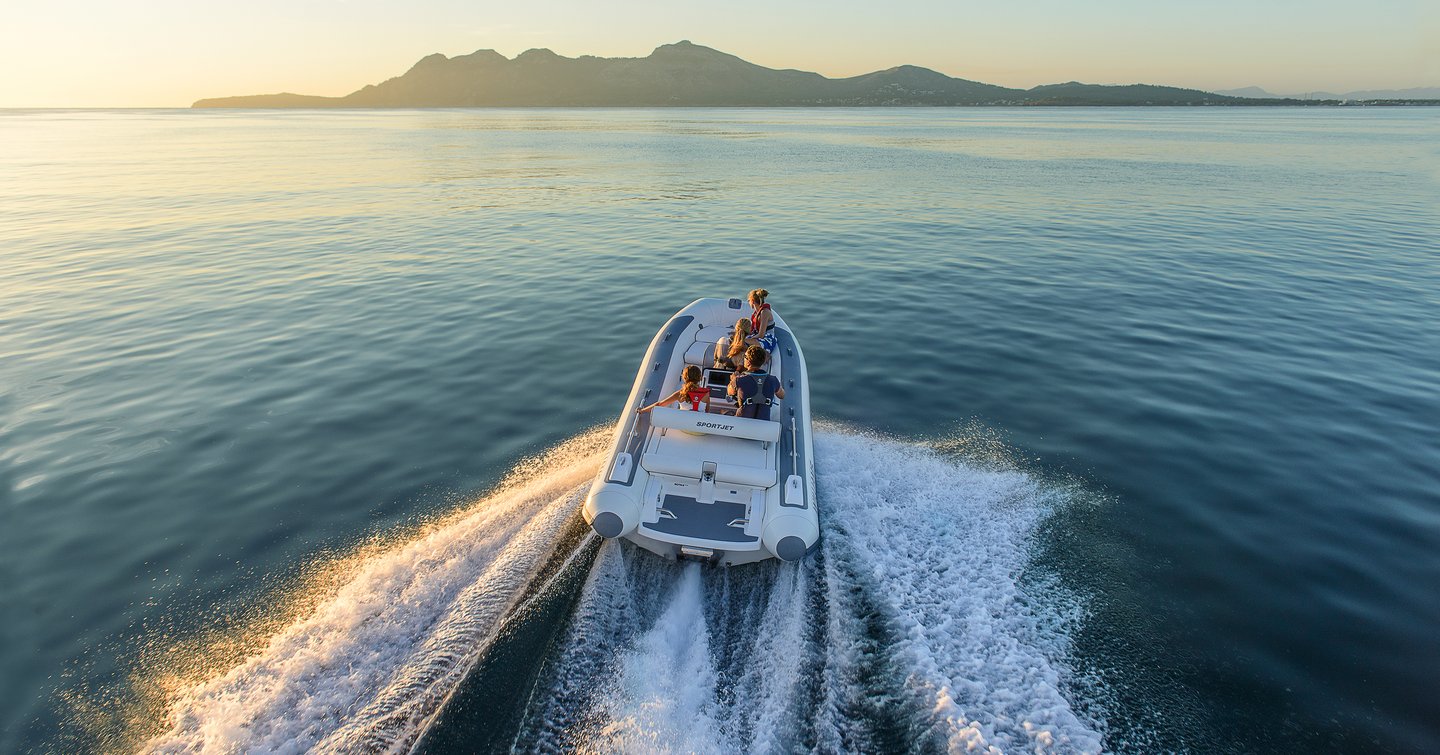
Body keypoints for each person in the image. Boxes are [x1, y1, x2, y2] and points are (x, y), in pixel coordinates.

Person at [729, 345, 785, 420]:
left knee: (725, 412)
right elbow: (782, 395)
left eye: (744, 356)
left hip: (742, 422)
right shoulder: (773, 380)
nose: (743, 359)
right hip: (763, 424)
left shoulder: (738, 380)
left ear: (748, 362)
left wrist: (733, 379)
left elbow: (730, 392)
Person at [638, 364, 711, 413]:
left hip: (684, 428)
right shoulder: (706, 394)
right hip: (699, 431)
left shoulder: (680, 394)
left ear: (684, 378)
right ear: (700, 378)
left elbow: (660, 404)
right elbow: (707, 412)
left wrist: (642, 410)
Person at [747, 289, 778, 353]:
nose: (748, 302)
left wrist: (748, 340)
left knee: (744, 342)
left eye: (749, 300)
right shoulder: (757, 312)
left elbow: (761, 335)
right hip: (757, 335)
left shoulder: (764, 312)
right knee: (740, 339)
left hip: (767, 338)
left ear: (752, 301)